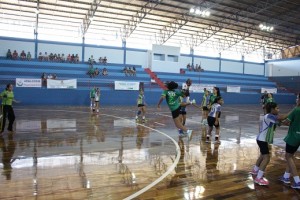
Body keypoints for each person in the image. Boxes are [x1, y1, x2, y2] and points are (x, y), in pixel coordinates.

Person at [251, 102, 289, 186]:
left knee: (262, 155)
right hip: (262, 140)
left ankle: (255, 170)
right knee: (267, 158)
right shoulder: (269, 116)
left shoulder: (272, 117)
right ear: (272, 109)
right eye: (277, 108)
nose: (278, 110)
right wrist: (294, 111)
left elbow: (283, 122)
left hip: (261, 139)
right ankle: (258, 178)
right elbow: (281, 117)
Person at [279, 94, 300, 188]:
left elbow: (286, 122)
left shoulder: (296, 110)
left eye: (297, 97)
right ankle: (286, 177)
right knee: (290, 156)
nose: (296, 99)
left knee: (288, 156)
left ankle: (297, 181)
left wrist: (278, 122)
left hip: (294, 136)